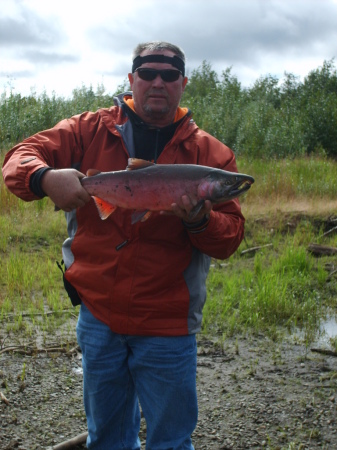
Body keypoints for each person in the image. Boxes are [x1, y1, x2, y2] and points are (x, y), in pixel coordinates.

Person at [2, 41, 245, 449]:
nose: (157, 83)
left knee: (171, 440)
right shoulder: (88, 129)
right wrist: (43, 178)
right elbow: (17, 158)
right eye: (147, 74)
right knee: (108, 438)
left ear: (183, 84)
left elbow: (229, 239)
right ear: (131, 80)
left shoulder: (211, 154)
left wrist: (200, 220)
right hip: (99, 316)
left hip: (168, 322)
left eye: (169, 76)